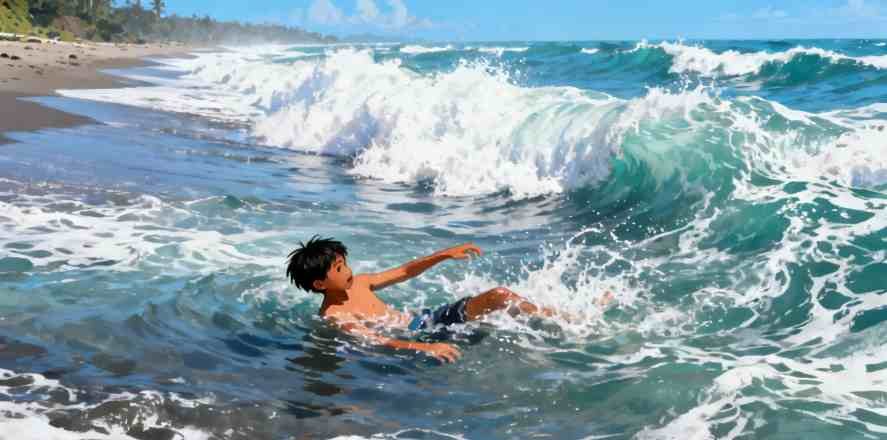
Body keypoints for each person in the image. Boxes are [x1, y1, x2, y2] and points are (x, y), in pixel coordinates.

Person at [286, 236, 608, 363]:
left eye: (345, 262)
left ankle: (568, 321)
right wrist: (426, 347)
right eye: (340, 268)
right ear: (319, 283)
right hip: (420, 336)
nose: (348, 270)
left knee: (500, 299)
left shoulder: (360, 283)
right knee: (498, 308)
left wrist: (443, 254)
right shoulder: (335, 316)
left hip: (427, 320)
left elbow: (405, 271)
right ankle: (569, 329)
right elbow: (379, 341)